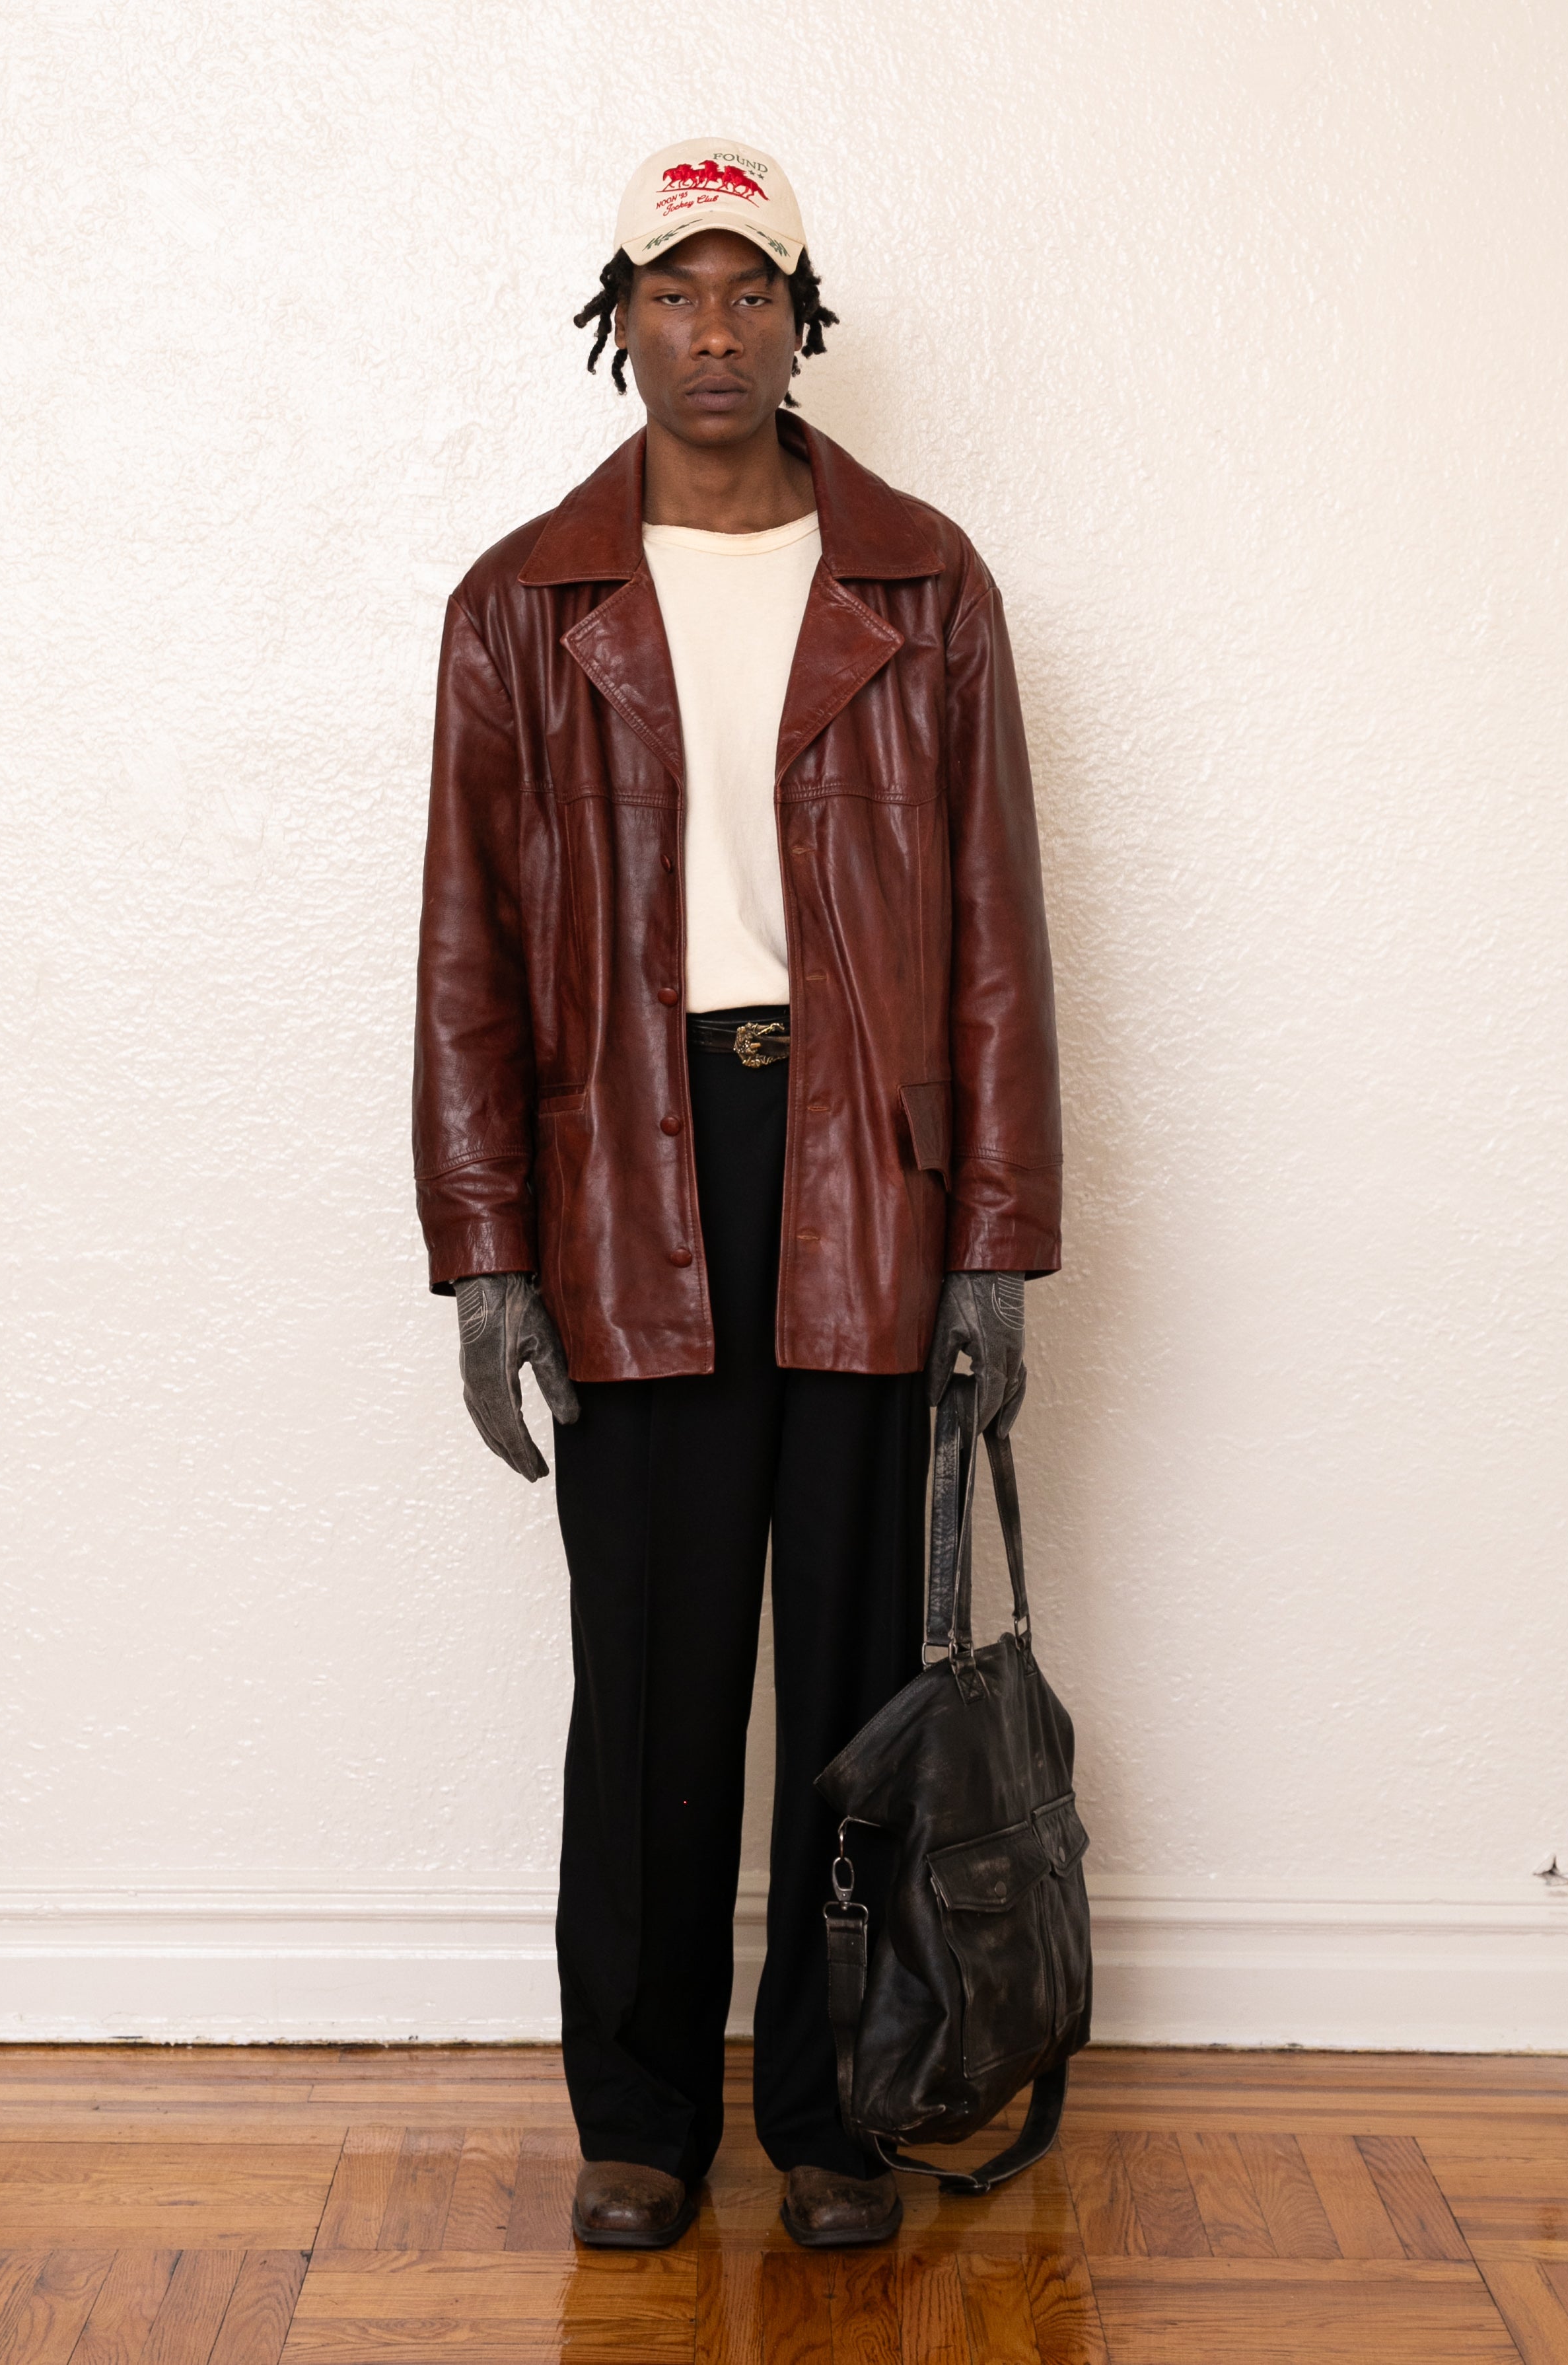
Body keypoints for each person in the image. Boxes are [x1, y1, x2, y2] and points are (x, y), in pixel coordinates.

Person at [413, 138, 1060, 2251]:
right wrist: (489, 1251)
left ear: (802, 318)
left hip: (870, 1168)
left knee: (864, 1665)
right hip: (635, 1181)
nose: (715, 328)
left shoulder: (923, 582)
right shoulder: (523, 602)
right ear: (622, 318)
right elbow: (468, 953)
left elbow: (994, 937)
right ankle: (641, 2118)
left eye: (751, 291)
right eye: (675, 292)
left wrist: (995, 1245)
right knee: (661, 1675)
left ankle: (842, 2107)